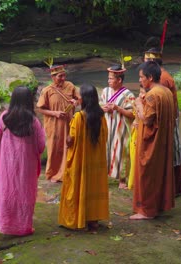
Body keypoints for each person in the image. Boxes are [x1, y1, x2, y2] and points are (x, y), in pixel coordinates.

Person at [58, 84, 109, 231]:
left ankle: (78, 218)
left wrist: (68, 131)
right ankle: (93, 220)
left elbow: (70, 140)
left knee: (78, 186)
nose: (78, 97)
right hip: (96, 161)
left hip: (81, 160)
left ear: (85, 99)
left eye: (80, 95)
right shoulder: (101, 116)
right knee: (94, 188)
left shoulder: (79, 117)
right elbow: (104, 137)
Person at [0, 86, 46, 236]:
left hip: (8, 163)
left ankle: (5, 224)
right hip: (27, 164)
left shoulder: (4, 117)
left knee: (7, 190)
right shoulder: (33, 121)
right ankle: (24, 226)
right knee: (25, 192)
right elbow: (41, 145)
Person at [130, 61, 175, 220]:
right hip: (163, 141)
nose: (140, 80)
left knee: (146, 174)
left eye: (142, 77)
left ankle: (146, 211)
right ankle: (158, 206)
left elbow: (147, 120)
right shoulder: (166, 92)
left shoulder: (152, 95)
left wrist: (138, 104)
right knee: (158, 174)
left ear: (150, 77)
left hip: (151, 143)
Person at [144, 48, 181, 196]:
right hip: (168, 119)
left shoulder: (162, 79)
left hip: (166, 121)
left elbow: (156, 104)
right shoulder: (163, 76)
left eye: (145, 61)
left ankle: (171, 189)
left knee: (169, 153)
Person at [37, 64, 80, 182]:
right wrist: (54, 113)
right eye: (60, 76)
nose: (63, 78)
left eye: (64, 75)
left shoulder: (70, 86)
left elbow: (79, 99)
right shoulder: (47, 91)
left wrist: (75, 102)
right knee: (54, 148)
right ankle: (53, 174)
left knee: (69, 146)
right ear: (53, 77)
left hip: (69, 123)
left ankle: (66, 172)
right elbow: (40, 109)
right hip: (53, 125)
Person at [100, 64, 135, 189]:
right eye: (108, 78)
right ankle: (104, 176)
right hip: (107, 126)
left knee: (121, 153)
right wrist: (104, 109)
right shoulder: (105, 91)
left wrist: (117, 108)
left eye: (111, 78)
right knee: (105, 151)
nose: (108, 81)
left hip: (121, 129)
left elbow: (132, 114)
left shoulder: (128, 95)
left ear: (119, 80)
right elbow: (100, 106)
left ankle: (122, 180)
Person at [127, 87, 145, 190]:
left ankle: (137, 184)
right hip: (135, 134)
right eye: (140, 92)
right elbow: (135, 117)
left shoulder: (147, 105)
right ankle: (133, 184)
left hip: (142, 135)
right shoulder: (139, 103)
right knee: (133, 158)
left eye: (143, 92)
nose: (141, 95)